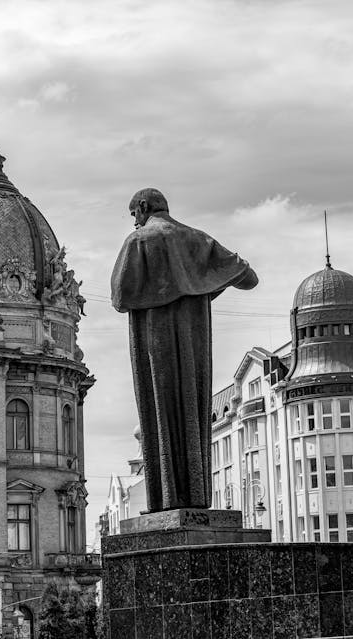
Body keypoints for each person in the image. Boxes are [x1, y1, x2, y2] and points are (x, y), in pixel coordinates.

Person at [111, 188, 258, 512]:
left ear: (144, 207)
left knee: (160, 410)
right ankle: (195, 499)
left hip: (154, 340)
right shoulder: (199, 240)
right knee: (192, 408)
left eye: (134, 214)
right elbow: (249, 278)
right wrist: (203, 283)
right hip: (195, 342)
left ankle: (166, 501)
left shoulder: (138, 242)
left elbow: (120, 297)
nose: (134, 221)